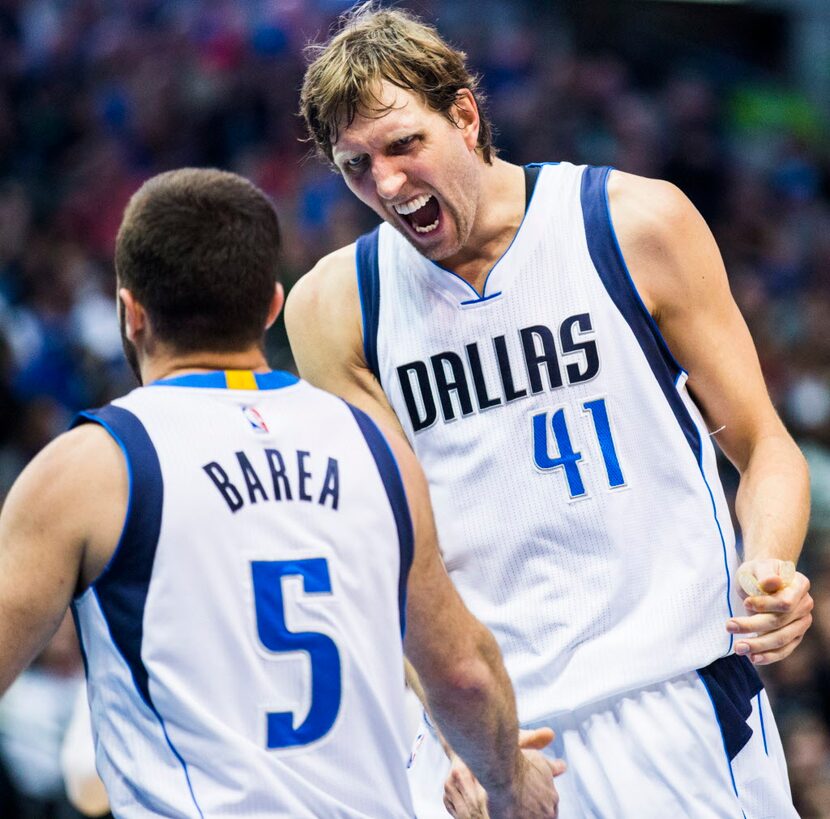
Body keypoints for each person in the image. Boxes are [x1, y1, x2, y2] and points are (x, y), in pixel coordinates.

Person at [288, 6, 814, 818]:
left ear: (464, 115)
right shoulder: (336, 307)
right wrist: (447, 737)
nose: (387, 184)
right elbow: (386, 563)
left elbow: (764, 445)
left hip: (671, 700)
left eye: (403, 145)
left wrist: (772, 566)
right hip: (501, 738)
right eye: (356, 165)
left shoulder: (633, 222)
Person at [0, 168, 563, 818]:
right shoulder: (374, 446)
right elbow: (462, 674)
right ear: (271, 305)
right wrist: (511, 783)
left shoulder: (90, 469)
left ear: (130, 312)